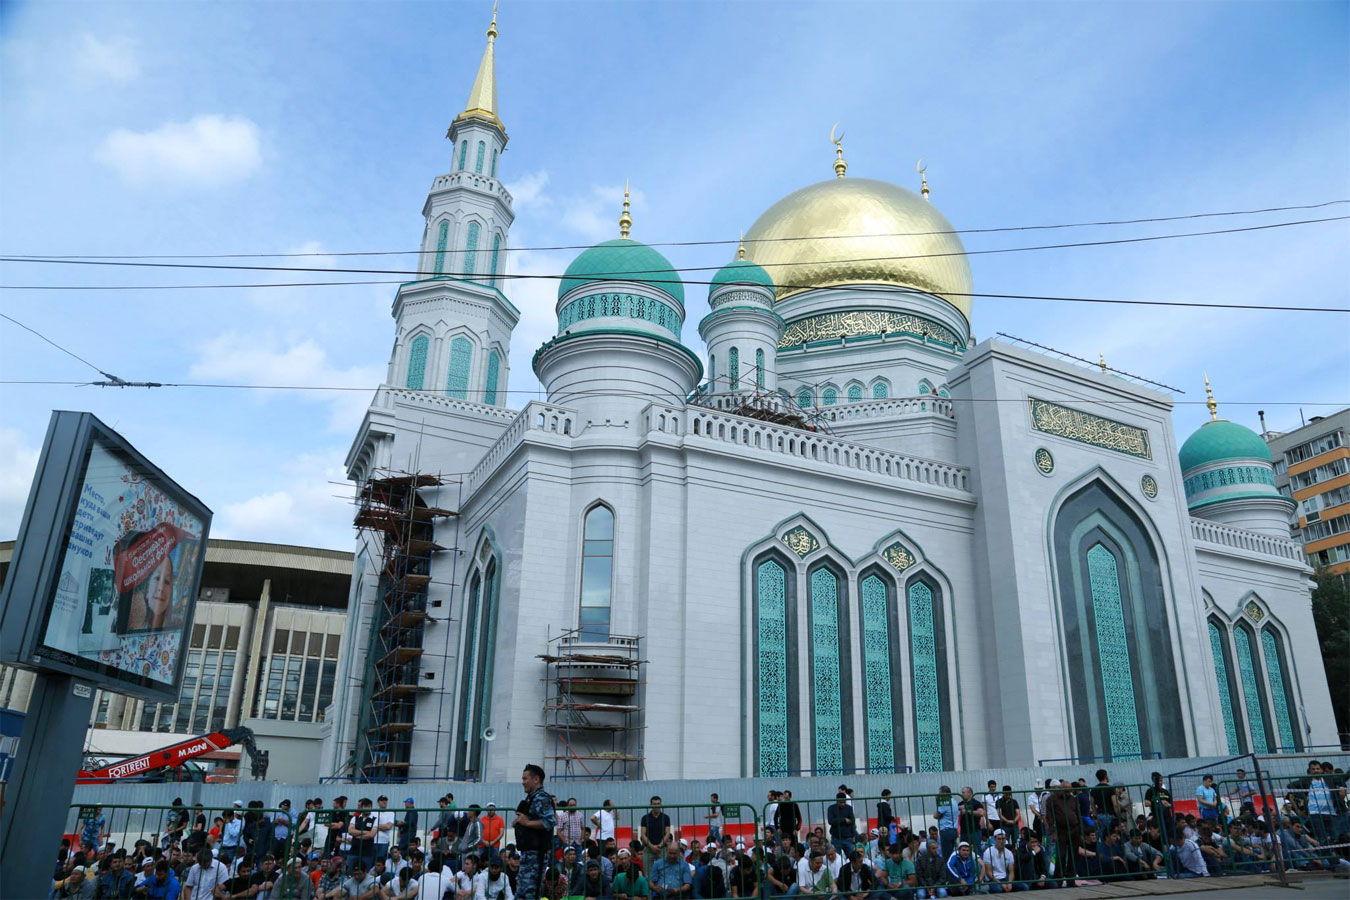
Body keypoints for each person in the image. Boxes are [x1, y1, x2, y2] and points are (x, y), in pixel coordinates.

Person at [514, 764, 556, 900]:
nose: (523, 782)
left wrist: (527, 823)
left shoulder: (542, 798)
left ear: (536, 779)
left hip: (536, 855)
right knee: (521, 893)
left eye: (525, 779)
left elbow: (549, 822)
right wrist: (519, 822)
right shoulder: (531, 798)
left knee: (531, 893)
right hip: (527, 854)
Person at [640, 798, 673, 877]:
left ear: (661, 805)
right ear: (651, 805)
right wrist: (651, 846)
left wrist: (659, 846)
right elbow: (643, 834)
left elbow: (667, 833)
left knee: (664, 873)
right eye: (654, 804)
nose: (656, 806)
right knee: (648, 874)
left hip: (662, 849)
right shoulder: (645, 818)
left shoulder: (666, 818)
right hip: (648, 849)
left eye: (658, 804)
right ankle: (650, 889)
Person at [1143, 774, 1172, 843]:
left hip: (1167, 817)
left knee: (1169, 834)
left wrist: (1168, 804)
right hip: (1157, 817)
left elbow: (1171, 804)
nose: (1160, 782)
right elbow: (1146, 803)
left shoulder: (1166, 792)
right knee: (1159, 836)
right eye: (1158, 781)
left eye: (1161, 780)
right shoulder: (1150, 791)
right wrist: (1158, 802)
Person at [933, 789, 958, 862]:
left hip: (946, 830)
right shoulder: (954, 801)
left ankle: (948, 871)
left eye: (941, 793)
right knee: (951, 852)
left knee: (947, 855)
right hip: (953, 829)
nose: (939, 795)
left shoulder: (946, 803)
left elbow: (936, 815)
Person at [374, 797, 397, 863]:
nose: (384, 802)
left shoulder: (391, 813)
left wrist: (376, 826)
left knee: (381, 861)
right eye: (382, 800)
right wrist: (383, 826)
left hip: (384, 841)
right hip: (373, 840)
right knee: (372, 860)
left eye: (385, 800)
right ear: (378, 802)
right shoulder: (373, 812)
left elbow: (388, 827)